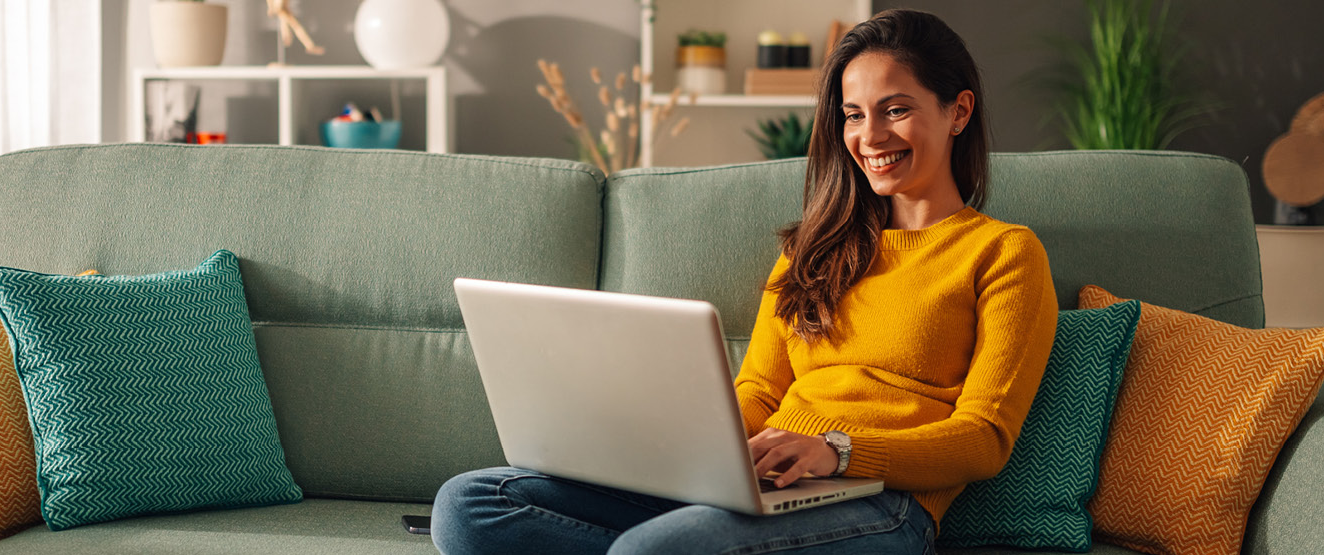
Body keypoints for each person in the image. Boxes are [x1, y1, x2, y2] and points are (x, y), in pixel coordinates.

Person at [432, 9, 1059, 554]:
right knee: (471, 505)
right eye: (852, 115)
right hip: (763, 485)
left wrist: (837, 451)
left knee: (657, 550)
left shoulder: (1003, 253)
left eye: (896, 110)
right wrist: (678, 450)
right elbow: (759, 390)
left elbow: (984, 440)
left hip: (886, 507)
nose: (870, 138)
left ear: (958, 111)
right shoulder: (813, 251)